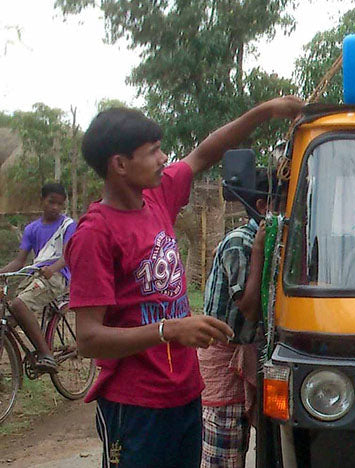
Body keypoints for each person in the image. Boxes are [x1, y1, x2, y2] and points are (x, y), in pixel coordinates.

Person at [65, 96, 303, 468]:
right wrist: (169, 330)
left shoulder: (157, 196)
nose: (164, 159)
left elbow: (205, 152)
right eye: (154, 151)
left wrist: (264, 111)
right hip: (136, 406)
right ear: (120, 165)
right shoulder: (95, 234)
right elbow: (88, 338)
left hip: (185, 392)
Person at [199, 170, 273, 468]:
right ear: (263, 207)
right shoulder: (240, 243)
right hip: (226, 357)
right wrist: (257, 252)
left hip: (249, 354)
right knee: (225, 451)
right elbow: (250, 309)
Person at [0, 182, 76, 374]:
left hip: (57, 276)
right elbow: (19, 261)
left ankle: (46, 355)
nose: (55, 207)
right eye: (51, 202)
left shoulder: (68, 225)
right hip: (35, 276)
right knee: (5, 322)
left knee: (18, 304)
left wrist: (53, 268)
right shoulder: (31, 229)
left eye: (60, 204)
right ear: (42, 201)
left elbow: (68, 256)